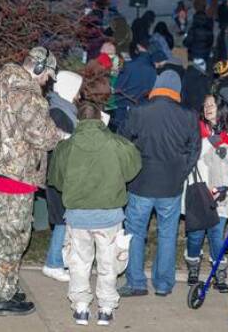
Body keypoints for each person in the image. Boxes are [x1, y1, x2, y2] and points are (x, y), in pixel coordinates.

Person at [0, 47, 65, 317]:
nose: (47, 81)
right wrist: (61, 135)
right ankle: (4, 298)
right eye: (47, 74)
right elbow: (44, 136)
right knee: (13, 239)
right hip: (12, 177)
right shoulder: (26, 94)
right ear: (38, 68)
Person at [48, 98, 141, 327]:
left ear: (78, 119)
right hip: (109, 215)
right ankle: (106, 309)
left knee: (79, 263)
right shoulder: (118, 143)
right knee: (108, 264)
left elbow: (56, 180)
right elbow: (133, 169)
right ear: (101, 119)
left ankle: (80, 308)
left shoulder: (66, 147)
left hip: (78, 215)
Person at [119, 71, 200, 297]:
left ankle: (136, 282)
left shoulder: (139, 111)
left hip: (141, 183)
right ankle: (163, 284)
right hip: (171, 186)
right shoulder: (188, 115)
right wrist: (180, 172)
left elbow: (124, 143)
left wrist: (130, 170)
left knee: (134, 232)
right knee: (167, 233)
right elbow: (194, 150)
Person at [184, 94, 228, 291]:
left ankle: (219, 272)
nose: (208, 108)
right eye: (205, 104)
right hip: (198, 187)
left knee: (216, 234)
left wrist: (222, 148)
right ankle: (193, 267)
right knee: (196, 234)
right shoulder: (194, 128)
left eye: (212, 105)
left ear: (221, 107)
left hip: (221, 189)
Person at [42, 71, 83, 283]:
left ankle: (60, 259)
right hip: (59, 175)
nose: (79, 96)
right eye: (77, 91)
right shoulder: (59, 113)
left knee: (65, 217)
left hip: (59, 173)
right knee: (63, 218)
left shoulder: (61, 109)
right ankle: (54, 262)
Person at [110, 37, 158, 132]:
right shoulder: (153, 70)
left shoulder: (126, 64)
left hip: (122, 109)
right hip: (141, 111)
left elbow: (116, 86)